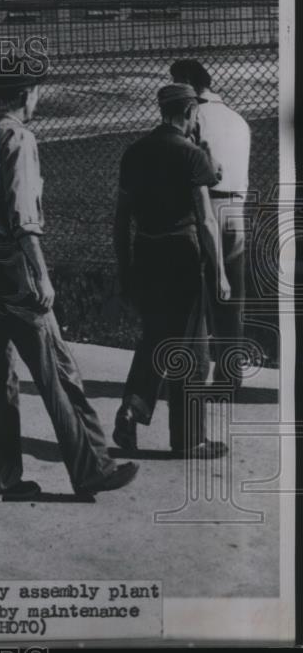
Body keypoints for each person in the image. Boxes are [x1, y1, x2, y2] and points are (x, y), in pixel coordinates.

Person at [0, 58, 138, 502]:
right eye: (35, 92)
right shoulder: (18, 139)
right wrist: (41, 274)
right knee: (57, 370)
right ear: (24, 95)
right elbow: (24, 218)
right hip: (13, 262)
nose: (36, 99)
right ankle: (93, 468)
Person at [113, 83, 231, 459]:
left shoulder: (134, 153)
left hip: (145, 252)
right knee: (192, 346)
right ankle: (188, 438)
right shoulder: (191, 155)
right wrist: (220, 272)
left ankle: (132, 407)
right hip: (182, 254)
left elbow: (120, 218)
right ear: (189, 113)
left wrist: (125, 267)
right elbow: (206, 220)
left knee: (155, 336)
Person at [170, 59, 251, 392]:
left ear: (189, 84)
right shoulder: (238, 119)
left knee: (197, 292)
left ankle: (196, 370)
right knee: (232, 297)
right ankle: (231, 374)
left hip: (206, 205)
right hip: (237, 208)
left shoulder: (194, 118)